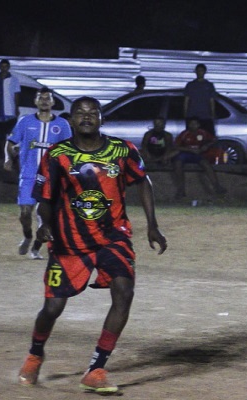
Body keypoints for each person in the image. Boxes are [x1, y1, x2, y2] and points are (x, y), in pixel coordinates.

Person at [17, 96, 168, 394]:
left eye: (92, 112)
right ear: (71, 120)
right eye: (80, 113)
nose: (86, 117)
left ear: (101, 118)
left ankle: (96, 368)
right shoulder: (58, 154)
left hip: (113, 237)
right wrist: (45, 223)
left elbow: (143, 181)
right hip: (69, 242)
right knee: (53, 307)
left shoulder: (122, 150)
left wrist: (152, 224)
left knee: (124, 292)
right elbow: (45, 198)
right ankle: (35, 353)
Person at [5, 87, 73, 259]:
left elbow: (69, 150)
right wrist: (8, 158)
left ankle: (35, 249)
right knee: (25, 213)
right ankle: (27, 236)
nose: (44, 101)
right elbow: (10, 142)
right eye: (40, 98)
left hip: (51, 178)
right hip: (28, 175)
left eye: (47, 98)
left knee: (46, 217)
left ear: (53, 102)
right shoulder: (25, 121)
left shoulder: (62, 125)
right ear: (35, 101)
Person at [172, 117, 227, 199]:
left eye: (195, 124)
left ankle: (217, 186)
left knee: (206, 164)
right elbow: (176, 146)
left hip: (198, 154)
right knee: (177, 163)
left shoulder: (203, 133)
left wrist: (206, 145)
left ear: (198, 125)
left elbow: (214, 140)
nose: (193, 126)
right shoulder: (184, 134)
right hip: (186, 154)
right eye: (191, 124)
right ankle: (181, 190)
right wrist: (189, 149)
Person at [184, 63, 217, 135]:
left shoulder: (209, 85)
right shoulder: (190, 85)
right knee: (192, 137)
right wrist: (186, 114)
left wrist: (212, 115)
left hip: (205, 116)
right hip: (192, 116)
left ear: (205, 72)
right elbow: (186, 100)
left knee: (206, 136)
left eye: (201, 71)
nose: (199, 73)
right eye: (198, 71)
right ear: (195, 72)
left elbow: (212, 101)